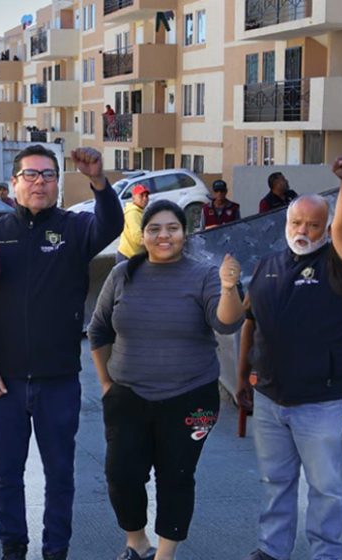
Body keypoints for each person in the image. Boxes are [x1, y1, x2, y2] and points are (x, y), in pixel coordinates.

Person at [0, 145, 124, 560]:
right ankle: (13, 546)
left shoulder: (74, 228)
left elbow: (112, 223)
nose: (40, 182)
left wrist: (98, 180)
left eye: (48, 175)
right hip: (5, 381)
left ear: (58, 182)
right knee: (6, 474)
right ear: (14, 183)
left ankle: (57, 548)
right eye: (31, 175)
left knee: (60, 474)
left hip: (58, 380)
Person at [89, 200, 245, 560]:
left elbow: (227, 323)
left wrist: (228, 287)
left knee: (176, 476)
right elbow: (98, 331)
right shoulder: (122, 275)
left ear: (184, 233)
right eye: (154, 229)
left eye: (171, 228)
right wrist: (106, 384)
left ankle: (166, 554)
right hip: (127, 396)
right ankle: (137, 543)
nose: (163, 235)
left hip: (190, 397)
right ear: (142, 236)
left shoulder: (204, 274)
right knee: (121, 475)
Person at [237, 157, 342, 560]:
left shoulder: (337, 265)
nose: (303, 231)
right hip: (272, 398)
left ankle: (327, 554)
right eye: (296, 223)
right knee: (276, 481)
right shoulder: (266, 266)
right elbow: (250, 323)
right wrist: (243, 376)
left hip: (321, 402)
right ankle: (272, 550)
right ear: (285, 224)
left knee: (324, 487)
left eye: (313, 225)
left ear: (325, 229)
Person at [117, 183, 150, 262]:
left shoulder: (140, 212)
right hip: (128, 257)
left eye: (146, 196)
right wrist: (153, 244)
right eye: (141, 195)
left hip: (133, 256)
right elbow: (138, 238)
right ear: (133, 198)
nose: (145, 198)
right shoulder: (133, 213)